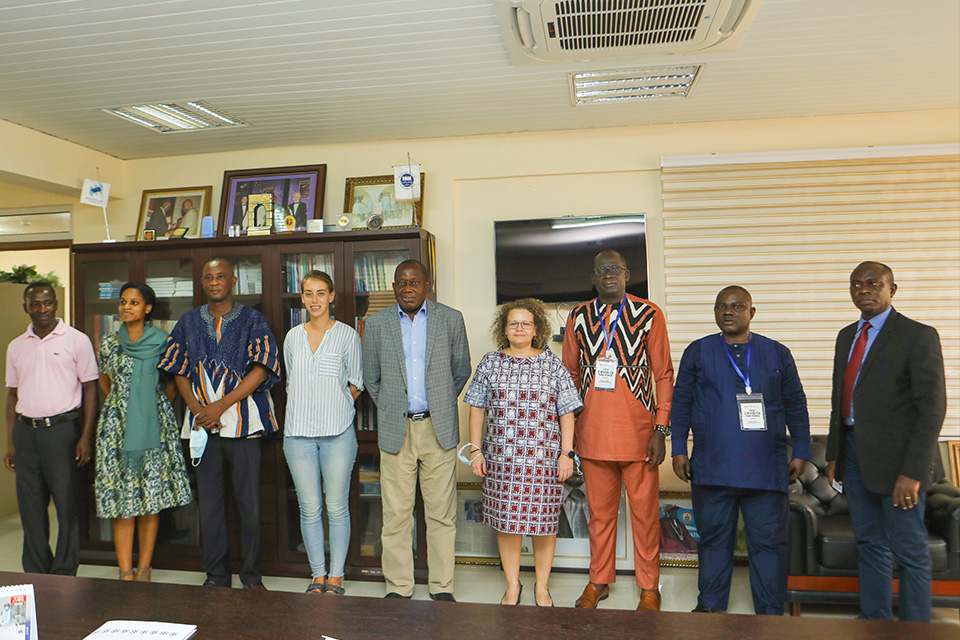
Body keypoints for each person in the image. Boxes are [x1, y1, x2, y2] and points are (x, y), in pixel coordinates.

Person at [670, 286, 810, 615]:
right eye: (721, 306)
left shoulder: (777, 353)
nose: (728, 311)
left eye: (736, 306)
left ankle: (770, 613)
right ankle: (710, 609)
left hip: (766, 471)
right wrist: (678, 447)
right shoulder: (698, 351)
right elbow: (681, 404)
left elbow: (796, 404)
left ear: (752, 312)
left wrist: (801, 448)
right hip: (712, 469)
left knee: (770, 546)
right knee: (714, 543)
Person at [825, 261, 946, 622]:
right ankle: (875, 623)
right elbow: (840, 399)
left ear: (892, 290)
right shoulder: (847, 335)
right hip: (854, 456)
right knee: (870, 544)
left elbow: (931, 409)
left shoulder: (917, 335)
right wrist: (835, 454)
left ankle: (914, 628)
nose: (864, 290)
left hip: (900, 464)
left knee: (910, 551)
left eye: (873, 283)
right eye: (856, 284)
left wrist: (912, 472)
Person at [561, 250, 674, 611]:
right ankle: (599, 580)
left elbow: (663, 374)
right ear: (593, 278)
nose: (609, 274)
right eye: (601, 270)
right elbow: (570, 376)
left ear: (627, 275)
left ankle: (649, 587)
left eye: (615, 269)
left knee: (644, 516)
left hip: (640, 434)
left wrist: (660, 427)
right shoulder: (578, 316)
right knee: (600, 516)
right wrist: (572, 430)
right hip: (593, 432)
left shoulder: (649, 313)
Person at [159, 259, 281, 589]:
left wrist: (222, 405)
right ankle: (215, 576)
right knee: (210, 508)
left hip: (244, 428)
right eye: (209, 277)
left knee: (250, 508)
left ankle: (252, 577)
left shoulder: (252, 319)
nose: (215, 282)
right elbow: (178, 368)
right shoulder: (188, 322)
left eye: (221, 277)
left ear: (233, 281)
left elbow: (263, 366)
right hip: (203, 429)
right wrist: (198, 408)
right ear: (202, 282)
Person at [362, 259, 470, 601]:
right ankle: (399, 587)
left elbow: (461, 369)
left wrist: (437, 404)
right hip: (396, 429)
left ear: (427, 285)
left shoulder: (450, 319)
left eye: (414, 282)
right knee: (396, 515)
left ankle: (442, 587)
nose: (407, 288)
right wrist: (394, 408)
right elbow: (371, 378)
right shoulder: (376, 324)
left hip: (438, 428)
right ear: (393, 287)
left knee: (441, 514)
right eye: (401, 283)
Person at [464, 298, 581, 606]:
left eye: (526, 323)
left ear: (536, 329)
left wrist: (566, 454)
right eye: (513, 323)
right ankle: (512, 586)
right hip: (501, 462)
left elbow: (566, 413)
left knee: (544, 526)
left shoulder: (552, 364)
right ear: (504, 329)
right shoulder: (489, 362)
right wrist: (476, 451)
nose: (519, 328)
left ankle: (542, 587)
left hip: (544, 462)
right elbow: (477, 410)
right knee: (507, 524)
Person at [95, 282, 193, 581]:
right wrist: (122, 404)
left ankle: (144, 569)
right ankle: (125, 572)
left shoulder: (164, 341)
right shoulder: (109, 342)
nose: (126, 307)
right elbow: (103, 380)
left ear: (147, 308)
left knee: (150, 498)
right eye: (123, 302)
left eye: (134, 302)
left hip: (155, 425)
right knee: (121, 499)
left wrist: (154, 406)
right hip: (116, 427)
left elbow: (175, 381)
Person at [4, 282, 98, 575]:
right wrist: (11, 442)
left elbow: (91, 391)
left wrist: (85, 436)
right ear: (26, 307)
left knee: (67, 506)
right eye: (35, 304)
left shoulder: (76, 340)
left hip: (63, 432)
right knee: (31, 509)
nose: (42, 309)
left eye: (48, 303)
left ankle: (64, 572)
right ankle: (37, 572)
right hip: (26, 433)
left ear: (56, 304)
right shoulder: (16, 346)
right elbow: (12, 395)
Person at [283, 271, 362, 595]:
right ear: (301, 298)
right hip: (298, 434)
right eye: (308, 293)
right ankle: (317, 576)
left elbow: (357, 382)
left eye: (320, 293)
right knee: (310, 507)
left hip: (338, 433)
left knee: (336, 507)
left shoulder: (347, 336)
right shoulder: (292, 337)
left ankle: (336, 577)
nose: (314, 299)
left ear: (331, 296)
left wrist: (335, 406)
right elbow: (291, 381)